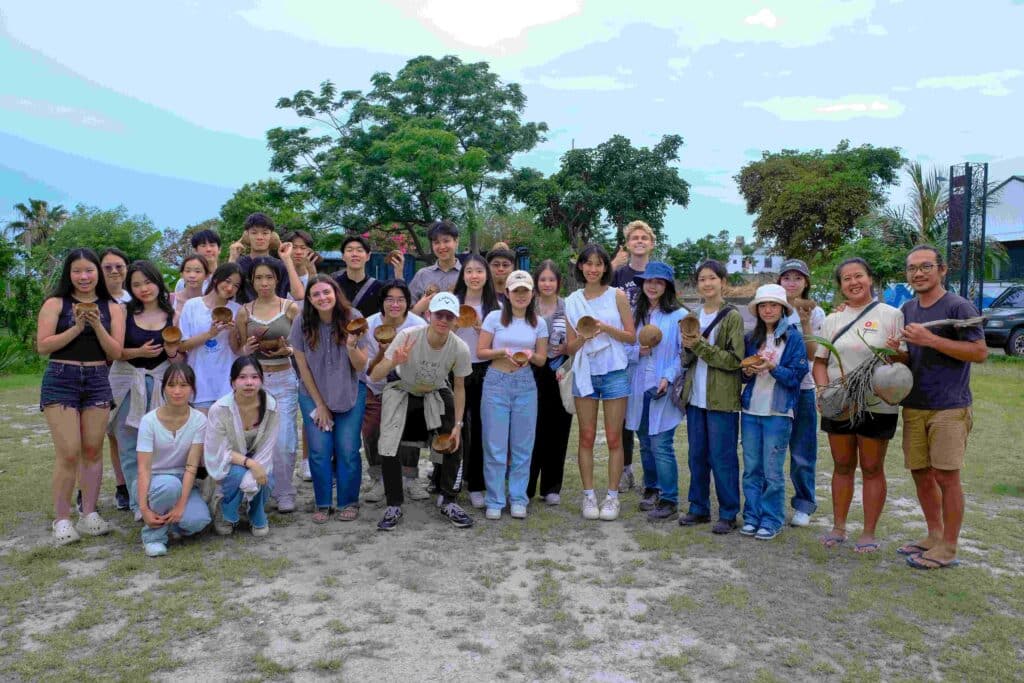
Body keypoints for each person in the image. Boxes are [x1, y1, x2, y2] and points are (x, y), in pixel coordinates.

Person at [895, 245, 986, 569]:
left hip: (949, 405)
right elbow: (911, 355)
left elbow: (979, 352)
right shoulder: (907, 308)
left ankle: (949, 547)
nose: (918, 273)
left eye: (925, 266)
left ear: (942, 270)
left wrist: (930, 339)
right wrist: (897, 352)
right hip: (915, 403)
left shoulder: (958, 306)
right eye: (912, 268)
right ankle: (934, 535)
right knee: (920, 473)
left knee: (947, 477)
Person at [813, 258, 905, 553]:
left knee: (872, 466)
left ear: (870, 278)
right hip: (839, 402)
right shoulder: (832, 320)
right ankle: (838, 527)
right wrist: (823, 391)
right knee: (841, 465)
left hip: (878, 403)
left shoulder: (892, 315)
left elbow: (904, 360)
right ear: (840, 286)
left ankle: (868, 532)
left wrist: (896, 353)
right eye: (847, 279)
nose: (854, 282)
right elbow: (820, 362)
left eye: (859, 276)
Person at [37, 248, 125, 544]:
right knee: (69, 451)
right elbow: (44, 345)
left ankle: (88, 514)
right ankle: (62, 520)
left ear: (97, 273)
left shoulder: (112, 307)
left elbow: (116, 352)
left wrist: (97, 323)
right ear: (69, 274)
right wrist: (76, 326)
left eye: (89, 270)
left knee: (92, 450)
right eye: (77, 271)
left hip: (99, 378)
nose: (84, 276)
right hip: (62, 378)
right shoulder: (55, 303)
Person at [369, 292, 474, 530]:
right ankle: (394, 503)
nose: (443, 320)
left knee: (454, 440)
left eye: (449, 316)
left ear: (456, 320)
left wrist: (457, 426)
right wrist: (394, 360)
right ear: (429, 314)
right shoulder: (407, 336)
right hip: (403, 389)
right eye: (439, 314)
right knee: (388, 440)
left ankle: (447, 498)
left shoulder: (460, 348)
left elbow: (459, 387)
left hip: (435, 392)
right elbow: (375, 375)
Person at [564, 244, 635, 521]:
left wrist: (604, 328)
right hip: (585, 371)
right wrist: (584, 337)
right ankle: (589, 495)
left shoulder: (617, 296)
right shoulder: (571, 301)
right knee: (587, 436)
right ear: (580, 267)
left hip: (615, 370)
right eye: (588, 263)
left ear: (606, 267)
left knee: (615, 438)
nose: (593, 269)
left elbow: (631, 336)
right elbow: (570, 348)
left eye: (598, 264)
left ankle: (612, 496)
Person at [291, 275, 369, 523]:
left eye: (327, 292)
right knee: (318, 450)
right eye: (316, 294)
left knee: (347, 450)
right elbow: (302, 366)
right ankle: (323, 503)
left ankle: (349, 501)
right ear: (310, 300)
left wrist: (350, 346)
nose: (322, 298)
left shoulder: (352, 316)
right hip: (313, 395)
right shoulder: (301, 321)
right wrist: (320, 405)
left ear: (335, 293)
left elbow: (361, 365)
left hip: (349, 392)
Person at [108, 260, 179, 521]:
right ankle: (140, 505)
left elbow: (177, 358)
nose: (143, 289)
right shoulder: (123, 312)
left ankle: (158, 498)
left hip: (160, 383)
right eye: (136, 284)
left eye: (148, 282)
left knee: (159, 445)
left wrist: (172, 352)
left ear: (157, 283)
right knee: (128, 446)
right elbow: (112, 351)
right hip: (128, 382)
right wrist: (138, 352)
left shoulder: (172, 313)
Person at [678, 259, 745, 534]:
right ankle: (699, 507)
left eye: (712, 278)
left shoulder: (733, 317)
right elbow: (685, 360)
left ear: (723, 282)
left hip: (722, 399)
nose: (707, 283)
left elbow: (735, 361)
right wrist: (687, 349)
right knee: (697, 456)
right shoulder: (692, 314)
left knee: (723, 457)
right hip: (696, 397)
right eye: (702, 279)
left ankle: (729, 513)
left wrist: (700, 346)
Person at [739, 284, 808, 540]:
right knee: (751, 468)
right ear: (757, 310)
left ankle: (772, 519)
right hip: (751, 410)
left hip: (778, 411)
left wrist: (772, 367)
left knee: (772, 470)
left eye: (773, 305)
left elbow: (796, 377)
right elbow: (744, 373)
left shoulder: (793, 338)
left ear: (782, 309)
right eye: (763, 306)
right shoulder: (751, 338)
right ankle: (751, 517)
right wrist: (746, 371)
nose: (768, 310)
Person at [477, 271, 548, 520]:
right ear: (506, 293)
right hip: (496, 383)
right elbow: (481, 350)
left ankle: (518, 497)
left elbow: (542, 358)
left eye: (525, 291)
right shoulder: (494, 317)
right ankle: (495, 498)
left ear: (532, 294)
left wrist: (529, 355)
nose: (520, 295)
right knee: (495, 446)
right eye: (515, 290)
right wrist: (501, 352)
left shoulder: (539, 323)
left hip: (525, 384)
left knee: (522, 445)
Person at [234, 258, 301, 513]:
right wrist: (246, 349)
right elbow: (239, 349)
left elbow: (301, 346)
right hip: (255, 383)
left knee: (284, 441)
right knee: (253, 440)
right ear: (252, 280)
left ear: (277, 279)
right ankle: (259, 489)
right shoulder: (244, 311)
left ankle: (285, 491)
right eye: (259, 277)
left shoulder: (291, 308)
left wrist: (289, 349)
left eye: (269, 277)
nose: (264, 283)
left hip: (284, 379)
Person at [625, 261, 687, 520]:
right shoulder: (633, 315)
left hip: (663, 388)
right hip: (638, 387)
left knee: (661, 444)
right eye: (649, 281)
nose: (652, 286)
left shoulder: (679, 316)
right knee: (645, 443)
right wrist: (637, 352)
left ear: (667, 286)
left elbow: (684, 353)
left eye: (659, 282)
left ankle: (669, 498)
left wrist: (668, 376)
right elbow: (623, 348)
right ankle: (652, 488)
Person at [361, 281, 428, 502]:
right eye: (390, 299)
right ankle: (378, 478)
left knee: (409, 430)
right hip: (376, 385)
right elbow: (369, 369)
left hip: (408, 386)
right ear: (382, 302)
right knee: (371, 429)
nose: (395, 304)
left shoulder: (418, 325)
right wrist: (384, 354)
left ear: (408, 303)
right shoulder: (369, 325)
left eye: (400, 299)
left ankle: (410, 478)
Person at [136, 363, 211, 557]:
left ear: (192, 389)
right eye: (171, 385)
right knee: (169, 486)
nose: (177, 391)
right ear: (163, 388)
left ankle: (171, 521)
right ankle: (153, 537)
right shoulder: (149, 421)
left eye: (183, 385)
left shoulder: (199, 420)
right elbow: (143, 468)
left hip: (182, 479)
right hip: (154, 480)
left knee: (198, 521)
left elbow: (191, 466)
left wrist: (180, 506)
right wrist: (144, 507)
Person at [205, 356, 280, 537]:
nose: (249, 383)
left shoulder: (271, 406)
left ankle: (255, 511)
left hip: (258, 459)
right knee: (238, 474)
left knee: (266, 477)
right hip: (228, 462)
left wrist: (256, 469)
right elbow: (219, 450)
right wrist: (251, 464)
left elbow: (268, 446)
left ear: (261, 380)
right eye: (242, 377)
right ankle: (226, 511)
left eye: (254, 377)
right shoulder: (220, 409)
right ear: (232, 382)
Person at [777, 258, 826, 527]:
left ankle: (804, 505)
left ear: (806, 282)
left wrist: (805, 322)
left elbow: (813, 354)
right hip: (774, 385)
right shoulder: (772, 308)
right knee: (771, 447)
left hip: (803, 387)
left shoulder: (816, 313)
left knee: (802, 449)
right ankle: (769, 501)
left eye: (798, 277)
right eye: (787, 277)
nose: (792, 282)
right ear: (779, 282)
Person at [452, 253, 500, 508]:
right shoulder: (451, 303)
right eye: (469, 271)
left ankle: (476, 484)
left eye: (479, 271)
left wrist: (485, 333)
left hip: (485, 370)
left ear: (487, 276)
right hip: (454, 369)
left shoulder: (497, 307)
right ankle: (446, 482)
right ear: (463, 275)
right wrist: (452, 326)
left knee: (482, 428)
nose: (474, 276)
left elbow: (504, 343)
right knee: (452, 425)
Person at [611, 221, 655, 491]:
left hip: (651, 348)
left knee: (648, 414)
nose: (639, 241)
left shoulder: (658, 273)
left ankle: (652, 472)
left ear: (651, 243)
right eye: (634, 238)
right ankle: (625, 467)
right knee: (623, 414)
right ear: (627, 244)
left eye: (644, 238)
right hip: (623, 347)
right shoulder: (618, 274)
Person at [526, 260, 573, 505]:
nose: (547, 284)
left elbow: (576, 338)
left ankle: (552, 487)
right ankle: (527, 486)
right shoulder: (527, 305)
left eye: (551, 279)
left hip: (559, 371)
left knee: (559, 428)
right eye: (542, 279)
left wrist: (569, 347)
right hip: (531, 371)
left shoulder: (568, 307)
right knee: (531, 429)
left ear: (558, 283)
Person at [92, 247, 131, 512]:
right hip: (97, 371)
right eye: (108, 267)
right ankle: (87, 491)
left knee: (121, 433)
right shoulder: (91, 300)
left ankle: (123, 486)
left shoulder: (134, 298)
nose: (114, 271)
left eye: (119, 266)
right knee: (95, 434)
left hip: (127, 370)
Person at [179, 263, 243, 412]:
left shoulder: (237, 309)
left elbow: (237, 349)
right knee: (202, 432)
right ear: (216, 279)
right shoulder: (192, 305)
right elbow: (182, 346)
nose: (229, 288)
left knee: (227, 433)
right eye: (227, 281)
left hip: (227, 382)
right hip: (200, 381)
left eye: (235, 285)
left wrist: (233, 332)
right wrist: (210, 334)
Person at [228, 212, 304, 304]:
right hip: (244, 315)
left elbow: (299, 295)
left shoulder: (280, 265)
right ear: (247, 235)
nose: (259, 237)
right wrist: (232, 258)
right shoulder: (238, 264)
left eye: (265, 233)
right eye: (254, 233)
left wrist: (287, 259)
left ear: (271, 236)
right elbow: (226, 292)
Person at [332, 234, 399, 318]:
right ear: (343, 256)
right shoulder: (333, 285)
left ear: (368, 256)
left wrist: (398, 273)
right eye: (349, 250)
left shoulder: (379, 287)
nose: (354, 254)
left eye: (359, 250)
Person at [409, 220, 462, 316]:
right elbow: (406, 314)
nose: (442, 246)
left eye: (446, 241)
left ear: (456, 241)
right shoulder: (422, 275)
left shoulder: (467, 275)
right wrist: (419, 307)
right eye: (436, 242)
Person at [173, 229, 221, 303]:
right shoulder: (183, 282)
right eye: (203, 246)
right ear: (195, 251)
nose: (208, 249)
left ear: (219, 249)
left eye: (212, 245)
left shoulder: (225, 279)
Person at [172, 255, 210, 319]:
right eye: (187, 271)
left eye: (198, 271)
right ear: (181, 274)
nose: (192, 275)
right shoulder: (170, 300)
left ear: (206, 275)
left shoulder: (209, 302)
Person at [283, 228, 319, 294]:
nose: (298, 252)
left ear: (309, 251)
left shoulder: (315, 277)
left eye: (303, 248)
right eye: (294, 247)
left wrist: (312, 274)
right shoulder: (279, 276)